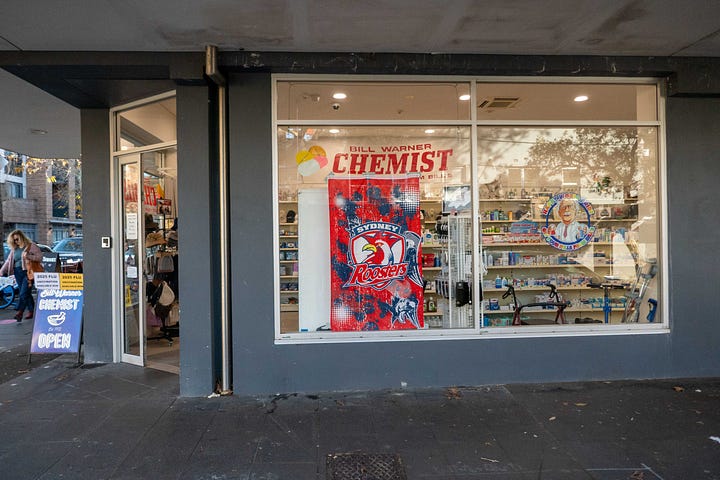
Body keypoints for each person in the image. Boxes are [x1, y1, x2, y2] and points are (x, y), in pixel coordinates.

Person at [0, 230, 42, 321]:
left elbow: (39, 258)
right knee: (26, 293)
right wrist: (2, 271)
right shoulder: (14, 249)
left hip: (28, 272)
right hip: (17, 272)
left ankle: (20, 312)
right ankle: (31, 311)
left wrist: (29, 256)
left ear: (22, 238)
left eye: (17, 239)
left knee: (23, 292)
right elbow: (9, 261)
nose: (16, 241)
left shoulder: (31, 246)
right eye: (14, 240)